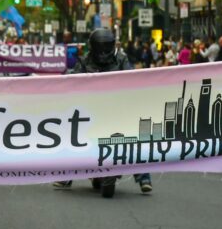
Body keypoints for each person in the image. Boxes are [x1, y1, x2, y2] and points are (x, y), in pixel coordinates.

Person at [53, 29, 150, 197]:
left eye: (106, 47)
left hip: (118, 109)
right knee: (72, 134)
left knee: (135, 136)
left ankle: (144, 178)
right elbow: (73, 83)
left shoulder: (122, 60)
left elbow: (133, 79)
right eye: (100, 47)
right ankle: (66, 175)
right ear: (93, 47)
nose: (103, 51)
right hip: (91, 110)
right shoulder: (83, 62)